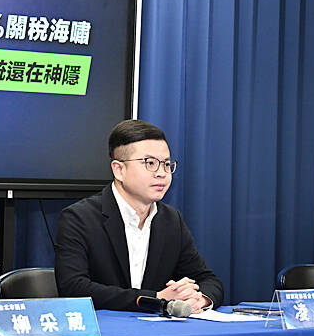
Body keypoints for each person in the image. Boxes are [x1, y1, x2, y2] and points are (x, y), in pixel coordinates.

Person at [54, 119, 223, 312]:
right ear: (119, 170)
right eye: (150, 163)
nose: (161, 173)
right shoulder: (79, 218)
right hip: (105, 327)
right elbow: (73, 288)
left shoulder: (171, 220)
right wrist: (156, 299)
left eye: (166, 164)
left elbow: (208, 280)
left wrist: (199, 299)